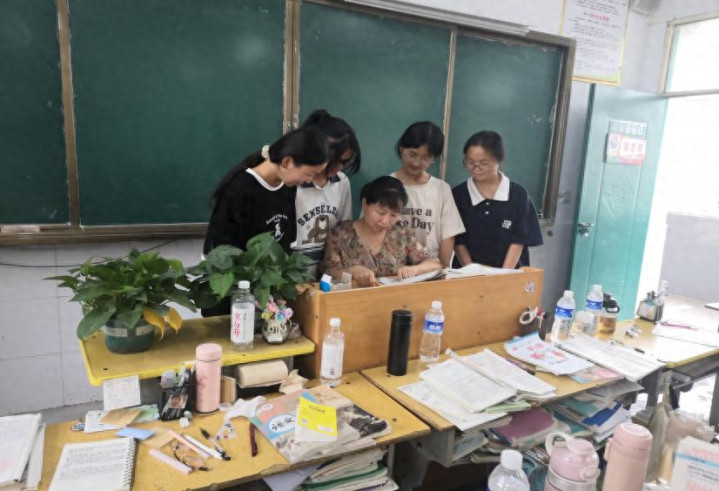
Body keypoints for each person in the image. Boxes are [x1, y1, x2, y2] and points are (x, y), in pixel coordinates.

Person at [202, 128, 328, 315]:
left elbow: (285, 243)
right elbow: (219, 256)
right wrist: (247, 296)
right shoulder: (239, 190)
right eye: (309, 173)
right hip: (230, 299)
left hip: (264, 299)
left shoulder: (287, 186)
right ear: (286, 162)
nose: (309, 180)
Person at [320, 176, 442, 287]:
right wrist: (353, 272)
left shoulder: (402, 235)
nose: (385, 221)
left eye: (393, 215)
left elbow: (435, 264)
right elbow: (328, 274)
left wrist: (415, 269)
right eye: (381, 212)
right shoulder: (340, 235)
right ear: (364, 204)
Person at [452, 130, 543, 269]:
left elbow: (519, 240)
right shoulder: (458, 194)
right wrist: (472, 273)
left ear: (498, 160)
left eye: (484, 163)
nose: (476, 169)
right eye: (470, 163)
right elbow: (458, 241)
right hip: (467, 274)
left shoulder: (517, 194)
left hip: (510, 273)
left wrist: (503, 276)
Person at [294, 110, 361, 278]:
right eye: (336, 161)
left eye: (346, 162)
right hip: (291, 273)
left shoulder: (341, 182)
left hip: (328, 273)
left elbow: (343, 229)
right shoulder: (294, 181)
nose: (340, 167)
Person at [390, 122, 465, 267]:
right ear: (401, 149)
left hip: (430, 269)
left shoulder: (441, 189)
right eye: (412, 154)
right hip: (392, 270)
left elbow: (449, 236)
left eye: (426, 158)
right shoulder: (386, 186)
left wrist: (440, 268)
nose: (417, 163)